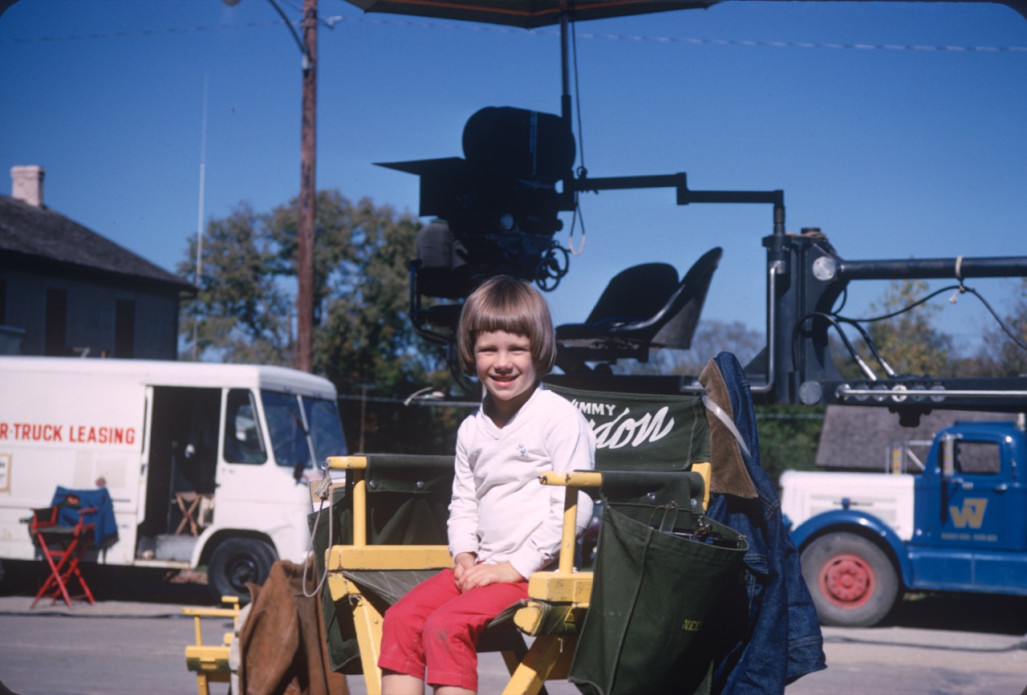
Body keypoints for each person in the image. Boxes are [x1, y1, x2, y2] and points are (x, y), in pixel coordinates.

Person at [378, 275, 596, 695]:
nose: (502, 362)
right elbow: (463, 502)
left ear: (539, 350)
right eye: (487, 350)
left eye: (517, 348)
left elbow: (576, 509)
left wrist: (511, 568)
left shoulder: (559, 418)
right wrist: (463, 554)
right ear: (470, 353)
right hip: (482, 568)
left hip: (536, 572)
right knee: (401, 620)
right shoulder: (471, 430)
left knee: (447, 624)